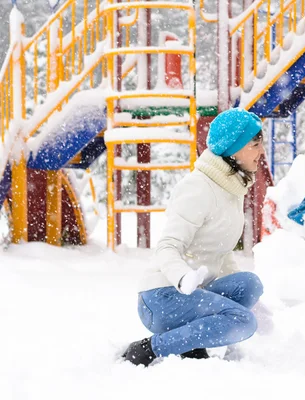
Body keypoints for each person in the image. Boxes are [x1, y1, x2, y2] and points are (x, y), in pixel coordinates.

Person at [122, 108, 266, 367]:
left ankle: (191, 342)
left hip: (192, 293)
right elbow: (167, 247)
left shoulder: (230, 188)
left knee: (249, 285)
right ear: (234, 148)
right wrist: (183, 277)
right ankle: (151, 348)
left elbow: (220, 253)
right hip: (162, 296)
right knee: (244, 322)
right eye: (255, 144)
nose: (261, 151)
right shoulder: (199, 187)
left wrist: (254, 305)